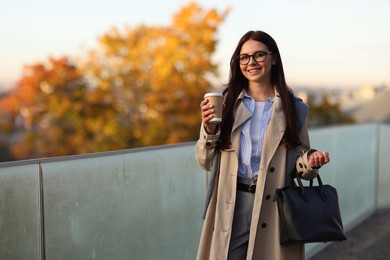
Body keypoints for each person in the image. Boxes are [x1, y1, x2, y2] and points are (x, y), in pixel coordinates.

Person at [196, 30, 330, 260]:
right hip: (231, 203)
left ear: (274, 58)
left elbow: (301, 160)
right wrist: (209, 130)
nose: (251, 62)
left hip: (274, 205)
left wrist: (310, 161)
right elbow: (205, 162)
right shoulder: (225, 104)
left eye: (259, 55)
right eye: (244, 57)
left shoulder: (293, 108)